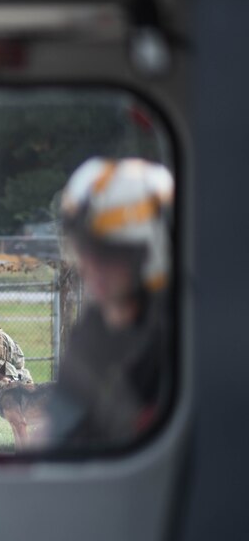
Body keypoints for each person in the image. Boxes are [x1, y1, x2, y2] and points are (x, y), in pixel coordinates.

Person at [46, 157, 174, 449]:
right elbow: (59, 431)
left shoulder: (174, 337)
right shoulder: (93, 329)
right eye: (84, 246)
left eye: (108, 250)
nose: (91, 264)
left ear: (149, 250)